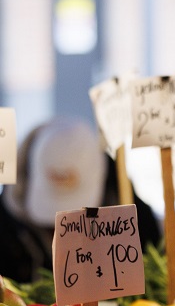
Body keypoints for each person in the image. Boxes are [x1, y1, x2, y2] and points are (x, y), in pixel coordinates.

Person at [0, 116, 161, 283]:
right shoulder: (5, 224)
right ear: (28, 177)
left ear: (102, 180)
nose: (58, 227)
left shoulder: (137, 221)